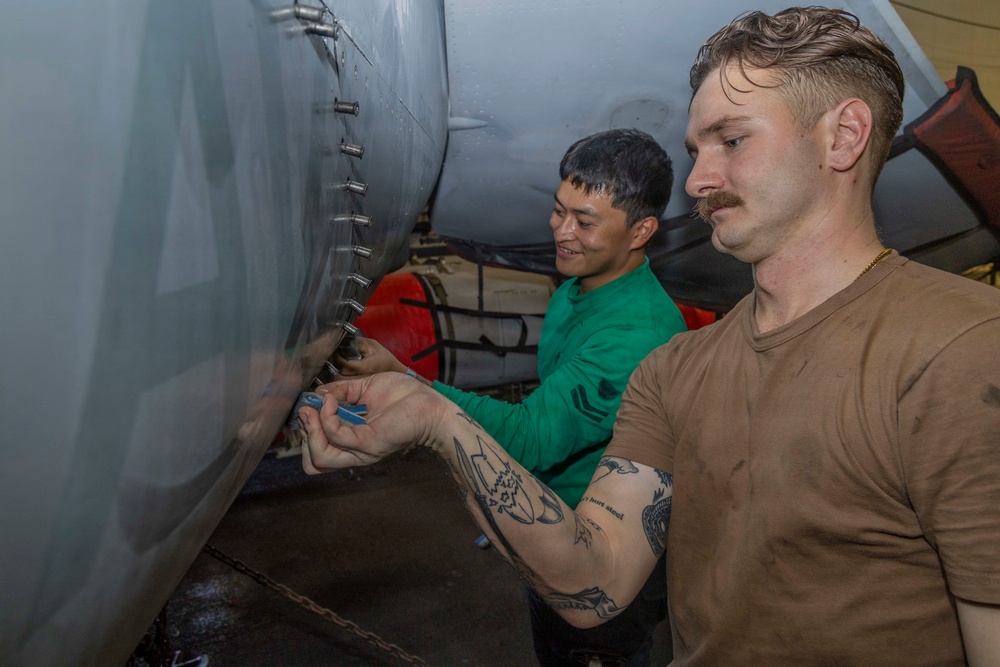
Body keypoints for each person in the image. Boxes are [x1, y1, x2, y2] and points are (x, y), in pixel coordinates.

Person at [298, 8, 1000, 666]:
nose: (698, 179)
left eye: (731, 139)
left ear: (843, 135)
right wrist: (434, 420)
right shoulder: (674, 369)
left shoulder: (963, 349)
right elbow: (596, 581)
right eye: (696, 148)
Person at [332, 129, 687, 665]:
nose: (561, 232)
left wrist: (414, 391)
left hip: (603, 568)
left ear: (641, 231)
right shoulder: (579, 284)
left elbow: (529, 437)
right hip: (553, 529)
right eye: (559, 210)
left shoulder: (636, 335)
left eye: (585, 222)